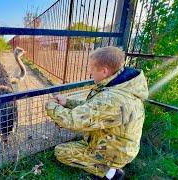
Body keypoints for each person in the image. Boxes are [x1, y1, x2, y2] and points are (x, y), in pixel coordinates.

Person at [45, 46, 149, 179]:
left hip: (114, 152)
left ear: (104, 71)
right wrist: (67, 102)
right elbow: (93, 108)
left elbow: (72, 121)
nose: (90, 73)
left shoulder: (113, 99)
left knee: (61, 152)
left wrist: (51, 105)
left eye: (92, 70)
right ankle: (110, 168)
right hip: (114, 144)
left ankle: (111, 173)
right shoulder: (120, 85)